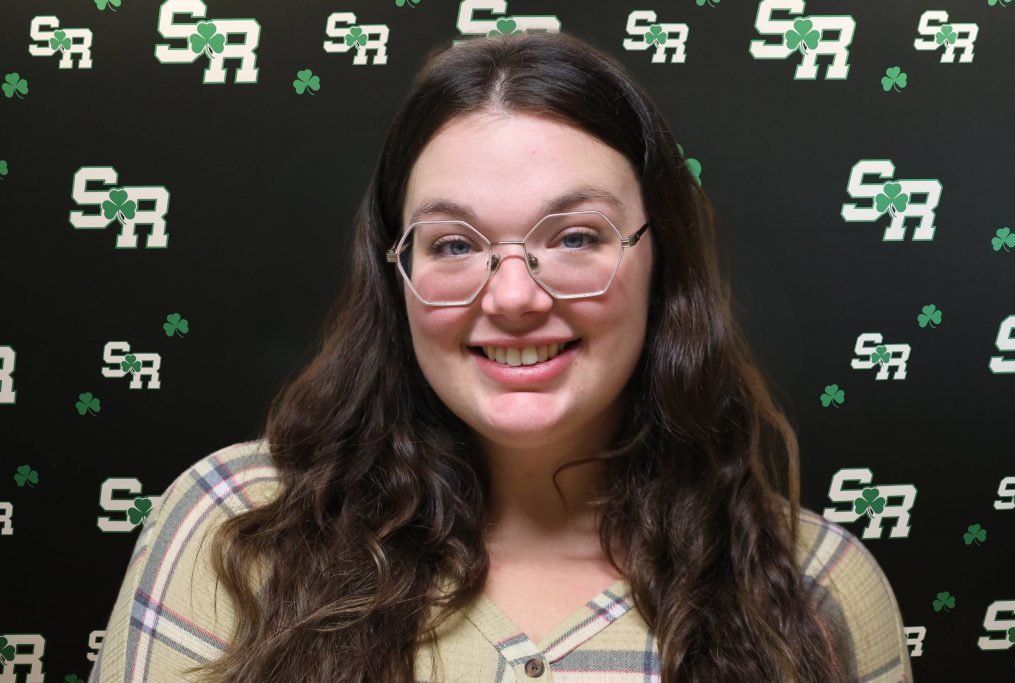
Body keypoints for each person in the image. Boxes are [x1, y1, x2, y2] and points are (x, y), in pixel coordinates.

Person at [89, 31, 913, 682]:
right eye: (453, 242)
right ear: (397, 275)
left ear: (663, 263)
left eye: (578, 236)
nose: (514, 296)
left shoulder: (820, 585)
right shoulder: (231, 531)